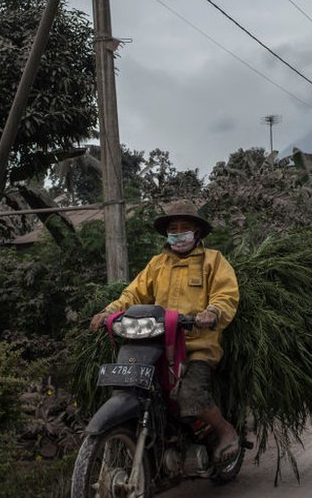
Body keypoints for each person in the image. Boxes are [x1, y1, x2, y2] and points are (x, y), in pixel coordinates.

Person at [89, 199, 241, 467]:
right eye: (174, 228)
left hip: (196, 345)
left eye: (185, 228)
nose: (178, 233)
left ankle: (224, 430)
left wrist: (212, 312)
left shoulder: (213, 261)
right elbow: (133, 293)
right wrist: (108, 311)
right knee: (134, 388)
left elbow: (225, 294)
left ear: (197, 233)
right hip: (156, 344)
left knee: (190, 394)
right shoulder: (157, 264)